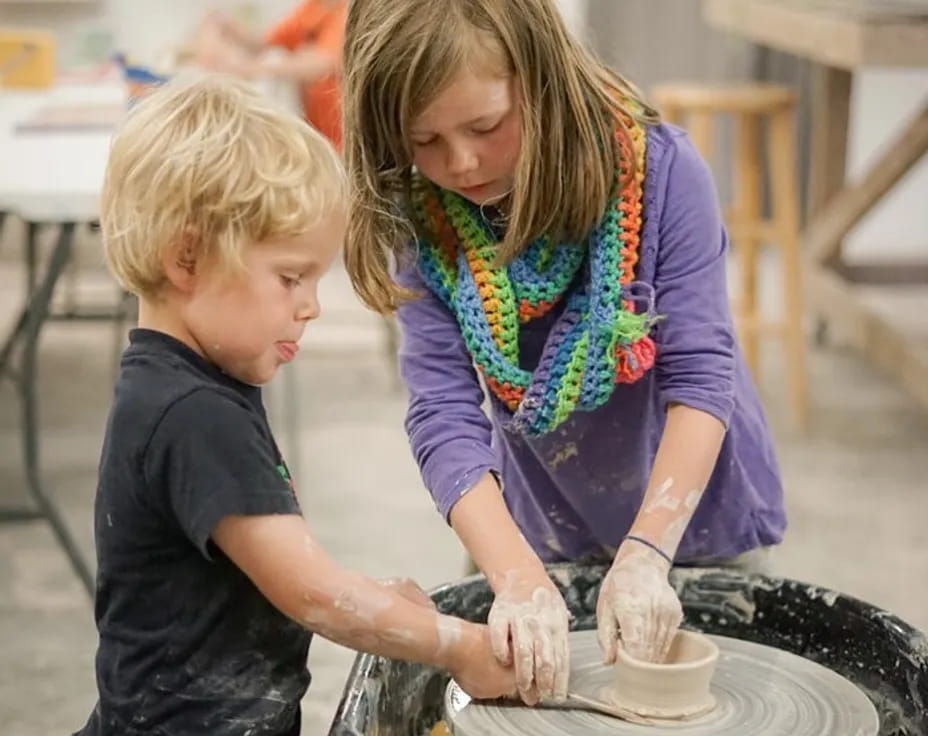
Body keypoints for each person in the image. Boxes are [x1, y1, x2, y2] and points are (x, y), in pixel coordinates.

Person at [341, 0, 786, 707]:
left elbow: (701, 377)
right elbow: (443, 417)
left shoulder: (663, 173)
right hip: (538, 528)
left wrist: (646, 556)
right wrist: (516, 577)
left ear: (539, 81)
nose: (459, 162)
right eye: (422, 139)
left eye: (485, 126)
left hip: (695, 522)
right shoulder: (424, 220)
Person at [75, 73, 514, 736]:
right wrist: (460, 645)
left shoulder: (180, 383)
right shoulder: (195, 415)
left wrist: (383, 605)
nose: (310, 305)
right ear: (187, 257)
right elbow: (313, 594)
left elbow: (271, 571)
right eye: (290, 277)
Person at [188, 1, 346, 147]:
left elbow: (324, 63)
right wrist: (234, 30)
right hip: (315, 127)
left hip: (339, 130)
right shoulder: (313, 6)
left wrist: (249, 69)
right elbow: (268, 42)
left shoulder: (347, 10)